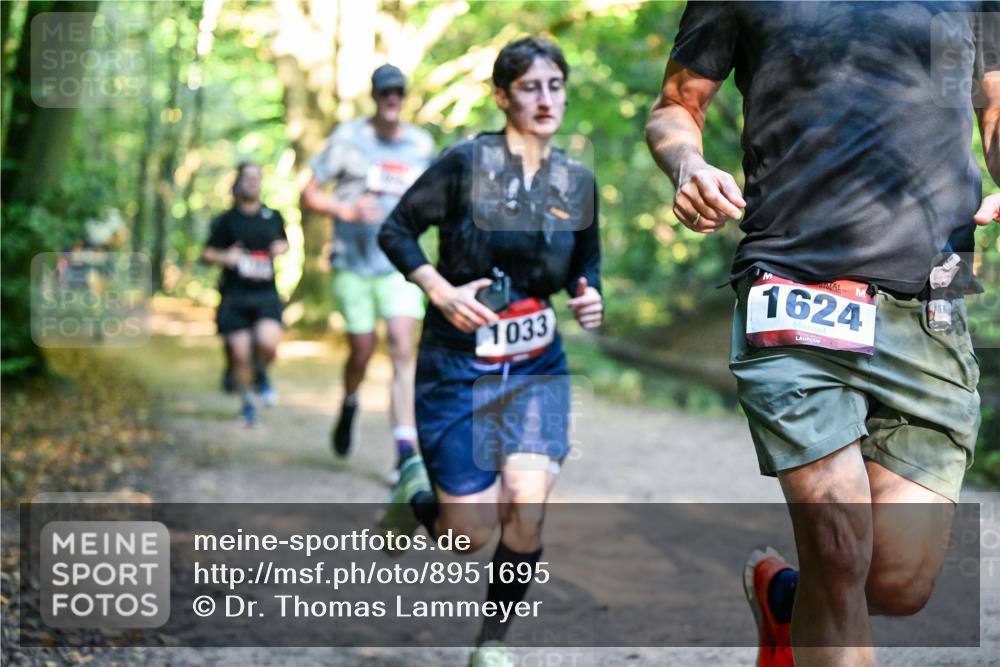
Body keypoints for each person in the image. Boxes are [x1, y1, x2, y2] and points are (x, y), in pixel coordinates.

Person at [647, 3, 998, 666]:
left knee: (896, 582)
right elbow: (675, 104)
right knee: (838, 548)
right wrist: (688, 166)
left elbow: (995, 108)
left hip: (933, 298)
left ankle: (785, 600)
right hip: (792, 284)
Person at [378, 36, 603, 666]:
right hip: (456, 365)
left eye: (555, 85)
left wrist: (591, 299)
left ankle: (492, 646)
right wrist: (440, 289)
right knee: (465, 538)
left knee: (525, 508)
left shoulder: (576, 181)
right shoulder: (462, 165)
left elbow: (587, 269)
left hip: (537, 364)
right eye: (530, 87)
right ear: (502, 96)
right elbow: (395, 230)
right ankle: (417, 499)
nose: (545, 99)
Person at [301, 64, 434, 469]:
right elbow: (308, 194)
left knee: (401, 346)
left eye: (398, 92)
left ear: (405, 97)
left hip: (401, 265)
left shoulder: (421, 144)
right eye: (384, 93)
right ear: (374, 97)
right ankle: (349, 401)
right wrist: (345, 209)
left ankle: (405, 449)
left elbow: (437, 198)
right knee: (361, 349)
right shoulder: (348, 139)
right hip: (353, 263)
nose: (392, 99)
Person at [203, 161, 289, 426]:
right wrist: (225, 256)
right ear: (238, 182)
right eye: (247, 177)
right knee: (239, 355)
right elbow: (206, 254)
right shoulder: (225, 220)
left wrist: (280, 248)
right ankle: (248, 404)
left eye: (256, 177)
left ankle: (261, 372)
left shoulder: (273, 216)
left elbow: (284, 243)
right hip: (235, 296)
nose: (252, 182)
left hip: (265, 296)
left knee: (268, 344)